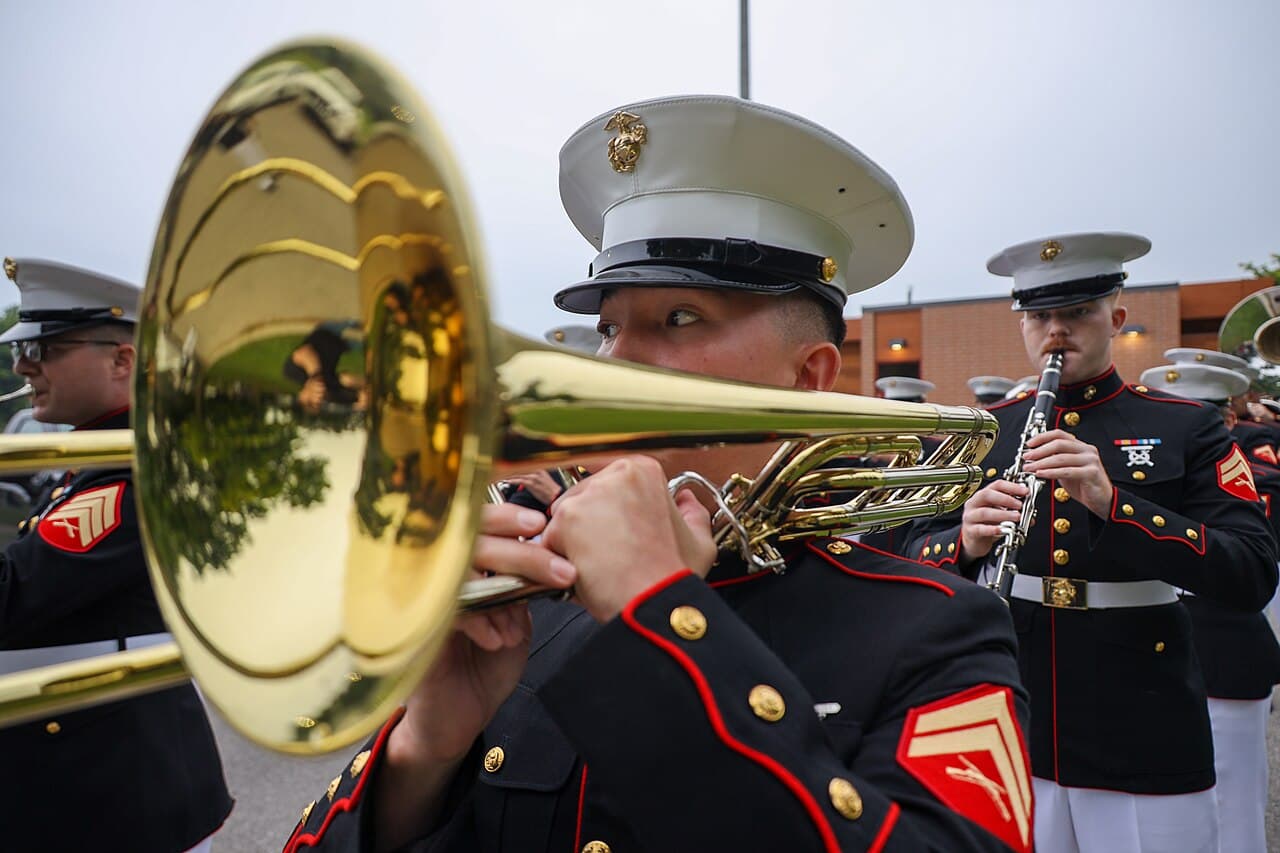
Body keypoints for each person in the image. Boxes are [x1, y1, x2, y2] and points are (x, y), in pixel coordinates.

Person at [285, 95, 1033, 853]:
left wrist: (662, 621)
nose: (612, 363)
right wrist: (423, 755)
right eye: (609, 326)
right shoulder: (534, 601)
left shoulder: (937, 628)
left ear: (806, 378)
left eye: (678, 318)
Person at [901, 232, 1278, 853]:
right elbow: (908, 550)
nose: (1056, 331)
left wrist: (1113, 502)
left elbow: (1251, 570)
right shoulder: (990, 431)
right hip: (1016, 712)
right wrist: (962, 542)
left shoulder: (1184, 424)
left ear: (1116, 317)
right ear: (1022, 324)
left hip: (1143, 718)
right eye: (1041, 316)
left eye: (1077, 312)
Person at [0, 258, 232, 852]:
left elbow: (13, 597)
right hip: (89, 779)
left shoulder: (132, 474)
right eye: (24, 349)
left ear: (123, 360)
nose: (24, 365)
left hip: (116, 796)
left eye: (45, 347)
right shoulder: (96, 463)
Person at [1137, 359, 1280, 853]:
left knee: (1236, 805)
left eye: (1208, 416)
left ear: (1229, 421)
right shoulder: (1140, 468)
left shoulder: (1254, 473)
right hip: (1150, 651)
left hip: (1226, 644)